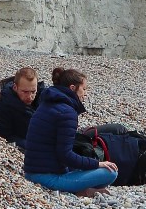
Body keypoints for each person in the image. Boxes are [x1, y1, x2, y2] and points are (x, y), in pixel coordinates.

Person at [23, 67, 117, 196]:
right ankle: (79, 190)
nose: (85, 93)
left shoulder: (47, 103)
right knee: (110, 172)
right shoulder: (67, 112)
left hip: (32, 171)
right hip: (47, 178)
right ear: (73, 88)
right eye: (84, 89)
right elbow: (65, 155)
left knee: (89, 167)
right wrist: (97, 163)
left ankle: (81, 189)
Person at [0, 66, 42, 143]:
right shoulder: (3, 107)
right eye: (25, 92)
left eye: (33, 91)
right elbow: (5, 136)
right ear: (15, 87)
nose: (30, 97)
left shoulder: (44, 98)